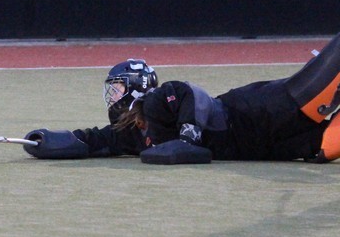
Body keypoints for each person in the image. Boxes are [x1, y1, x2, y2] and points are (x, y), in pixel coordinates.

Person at [21, 33, 340, 164]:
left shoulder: (156, 101)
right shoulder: (130, 135)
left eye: (117, 88)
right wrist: (47, 142)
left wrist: (189, 135)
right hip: (255, 147)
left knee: (318, 89)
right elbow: (94, 140)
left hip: (254, 112)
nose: (113, 96)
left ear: (136, 87)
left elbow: (189, 93)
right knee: (323, 147)